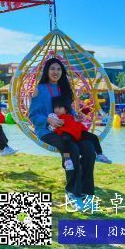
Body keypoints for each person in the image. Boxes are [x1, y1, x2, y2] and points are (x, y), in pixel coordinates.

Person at [28, 57, 97, 208]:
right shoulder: (40, 89)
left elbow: (69, 110)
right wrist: (49, 120)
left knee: (89, 148)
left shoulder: (64, 89)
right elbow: (32, 115)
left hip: (68, 128)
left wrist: (76, 116)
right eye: (52, 68)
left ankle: (87, 193)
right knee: (72, 149)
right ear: (47, 71)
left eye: (59, 69)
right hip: (48, 131)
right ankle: (72, 193)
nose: (56, 72)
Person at [50, 96, 112, 169]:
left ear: (66, 109)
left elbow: (76, 121)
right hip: (66, 132)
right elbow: (52, 124)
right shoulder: (54, 116)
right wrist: (56, 123)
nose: (57, 110)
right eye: (55, 108)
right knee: (65, 142)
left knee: (94, 137)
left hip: (77, 132)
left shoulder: (71, 115)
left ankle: (99, 154)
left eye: (60, 108)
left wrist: (80, 118)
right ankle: (67, 159)